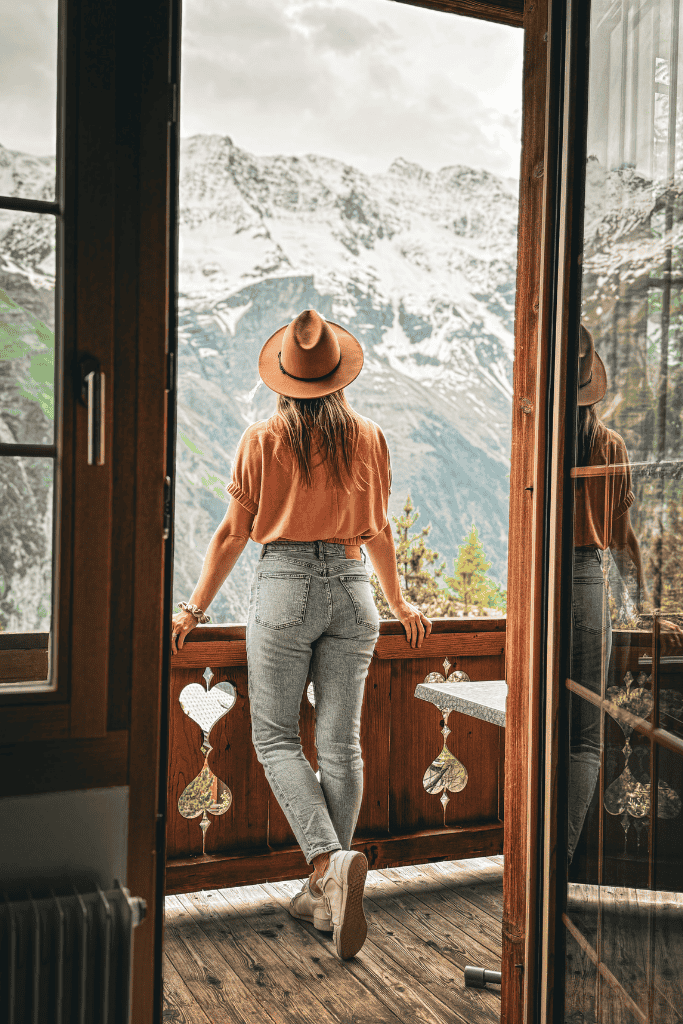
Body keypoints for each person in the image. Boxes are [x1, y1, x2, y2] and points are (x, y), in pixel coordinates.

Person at [171, 309, 432, 959]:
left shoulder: (262, 440)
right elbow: (379, 529)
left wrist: (193, 611)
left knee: (276, 737)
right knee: (341, 746)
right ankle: (328, 896)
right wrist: (398, 601)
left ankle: (323, 866)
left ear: (283, 380)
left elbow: (232, 534)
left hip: (285, 588)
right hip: (352, 588)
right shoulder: (369, 436)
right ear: (338, 375)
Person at [567, 324, 644, 864]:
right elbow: (623, 539)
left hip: (540, 582)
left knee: (538, 725)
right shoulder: (609, 444)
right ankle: (559, 862)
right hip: (590, 583)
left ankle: (527, 863)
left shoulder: (538, 444)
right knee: (586, 738)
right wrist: (641, 605)